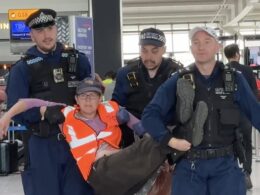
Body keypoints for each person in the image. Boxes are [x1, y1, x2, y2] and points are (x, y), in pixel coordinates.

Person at [0, 78, 193, 195]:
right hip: (99, 172)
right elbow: (27, 102)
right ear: (76, 99)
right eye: (83, 96)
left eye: (93, 95)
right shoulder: (65, 114)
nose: (88, 100)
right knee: (158, 142)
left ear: (100, 98)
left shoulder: (113, 109)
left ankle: (184, 136)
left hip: (123, 165)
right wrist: (7, 116)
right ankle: (177, 143)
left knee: (157, 137)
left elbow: (142, 127)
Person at [142, 26, 260, 195]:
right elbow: (150, 115)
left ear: (217, 46)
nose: (201, 46)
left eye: (207, 41)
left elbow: (256, 113)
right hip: (189, 166)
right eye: (196, 42)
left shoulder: (233, 79)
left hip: (225, 166)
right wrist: (170, 141)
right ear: (191, 49)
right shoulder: (179, 79)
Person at [6, 9, 93, 195]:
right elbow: (16, 110)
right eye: (40, 31)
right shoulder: (22, 69)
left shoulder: (78, 61)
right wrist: (42, 113)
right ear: (31, 35)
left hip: (77, 143)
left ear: (56, 29)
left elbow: (90, 96)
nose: (47, 35)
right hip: (42, 144)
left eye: (50, 28)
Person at [112, 27, 182, 147]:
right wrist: (134, 123)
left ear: (163, 50)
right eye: (144, 50)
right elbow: (115, 107)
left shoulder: (177, 74)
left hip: (168, 140)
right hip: (132, 141)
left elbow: (183, 110)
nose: (148, 57)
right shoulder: (125, 73)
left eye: (154, 51)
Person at [224, 43, 258, 190]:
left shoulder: (221, 70)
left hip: (227, 114)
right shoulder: (247, 70)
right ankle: (246, 173)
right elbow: (253, 94)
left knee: (229, 144)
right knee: (247, 144)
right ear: (238, 54)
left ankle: (231, 175)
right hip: (245, 114)